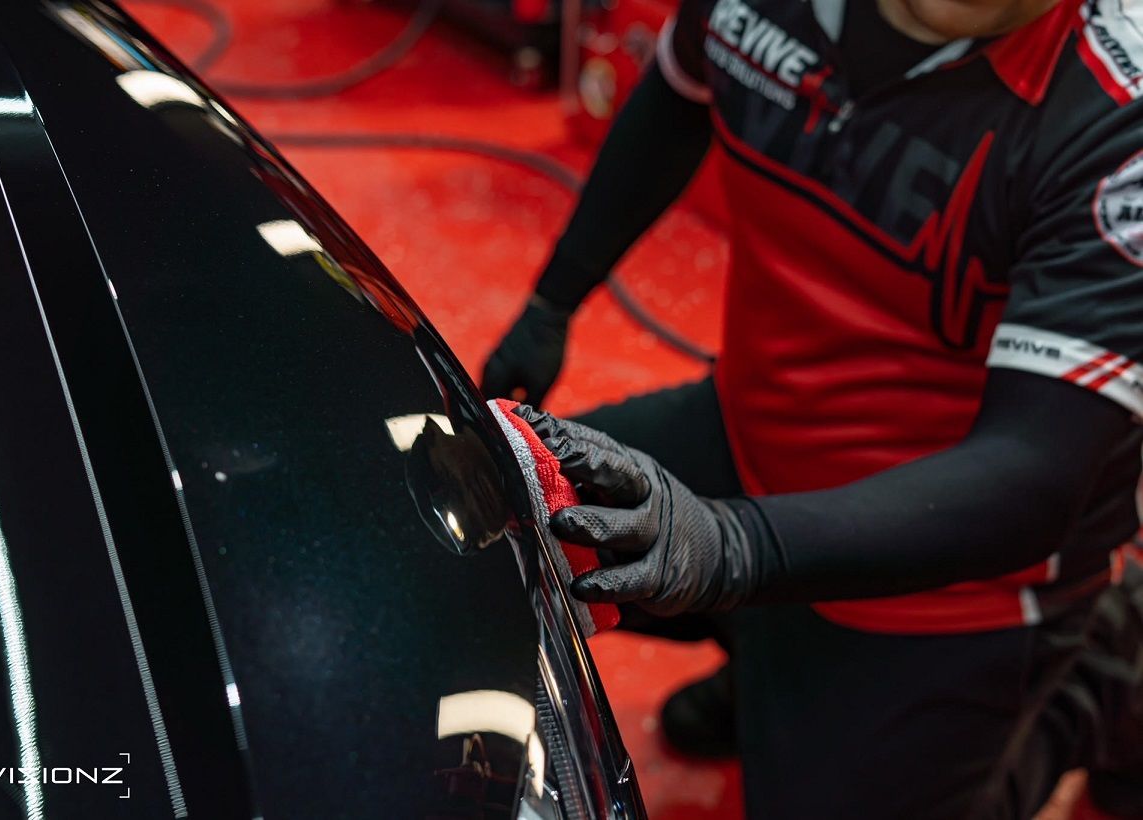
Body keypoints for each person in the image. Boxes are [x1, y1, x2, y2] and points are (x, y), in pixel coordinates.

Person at [481, 0, 1143, 815]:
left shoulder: (1118, 111)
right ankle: (770, 658)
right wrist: (554, 299)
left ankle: (1096, 680)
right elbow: (679, 93)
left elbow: (1030, 478)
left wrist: (733, 548)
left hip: (956, 567)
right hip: (751, 424)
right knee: (484, 533)